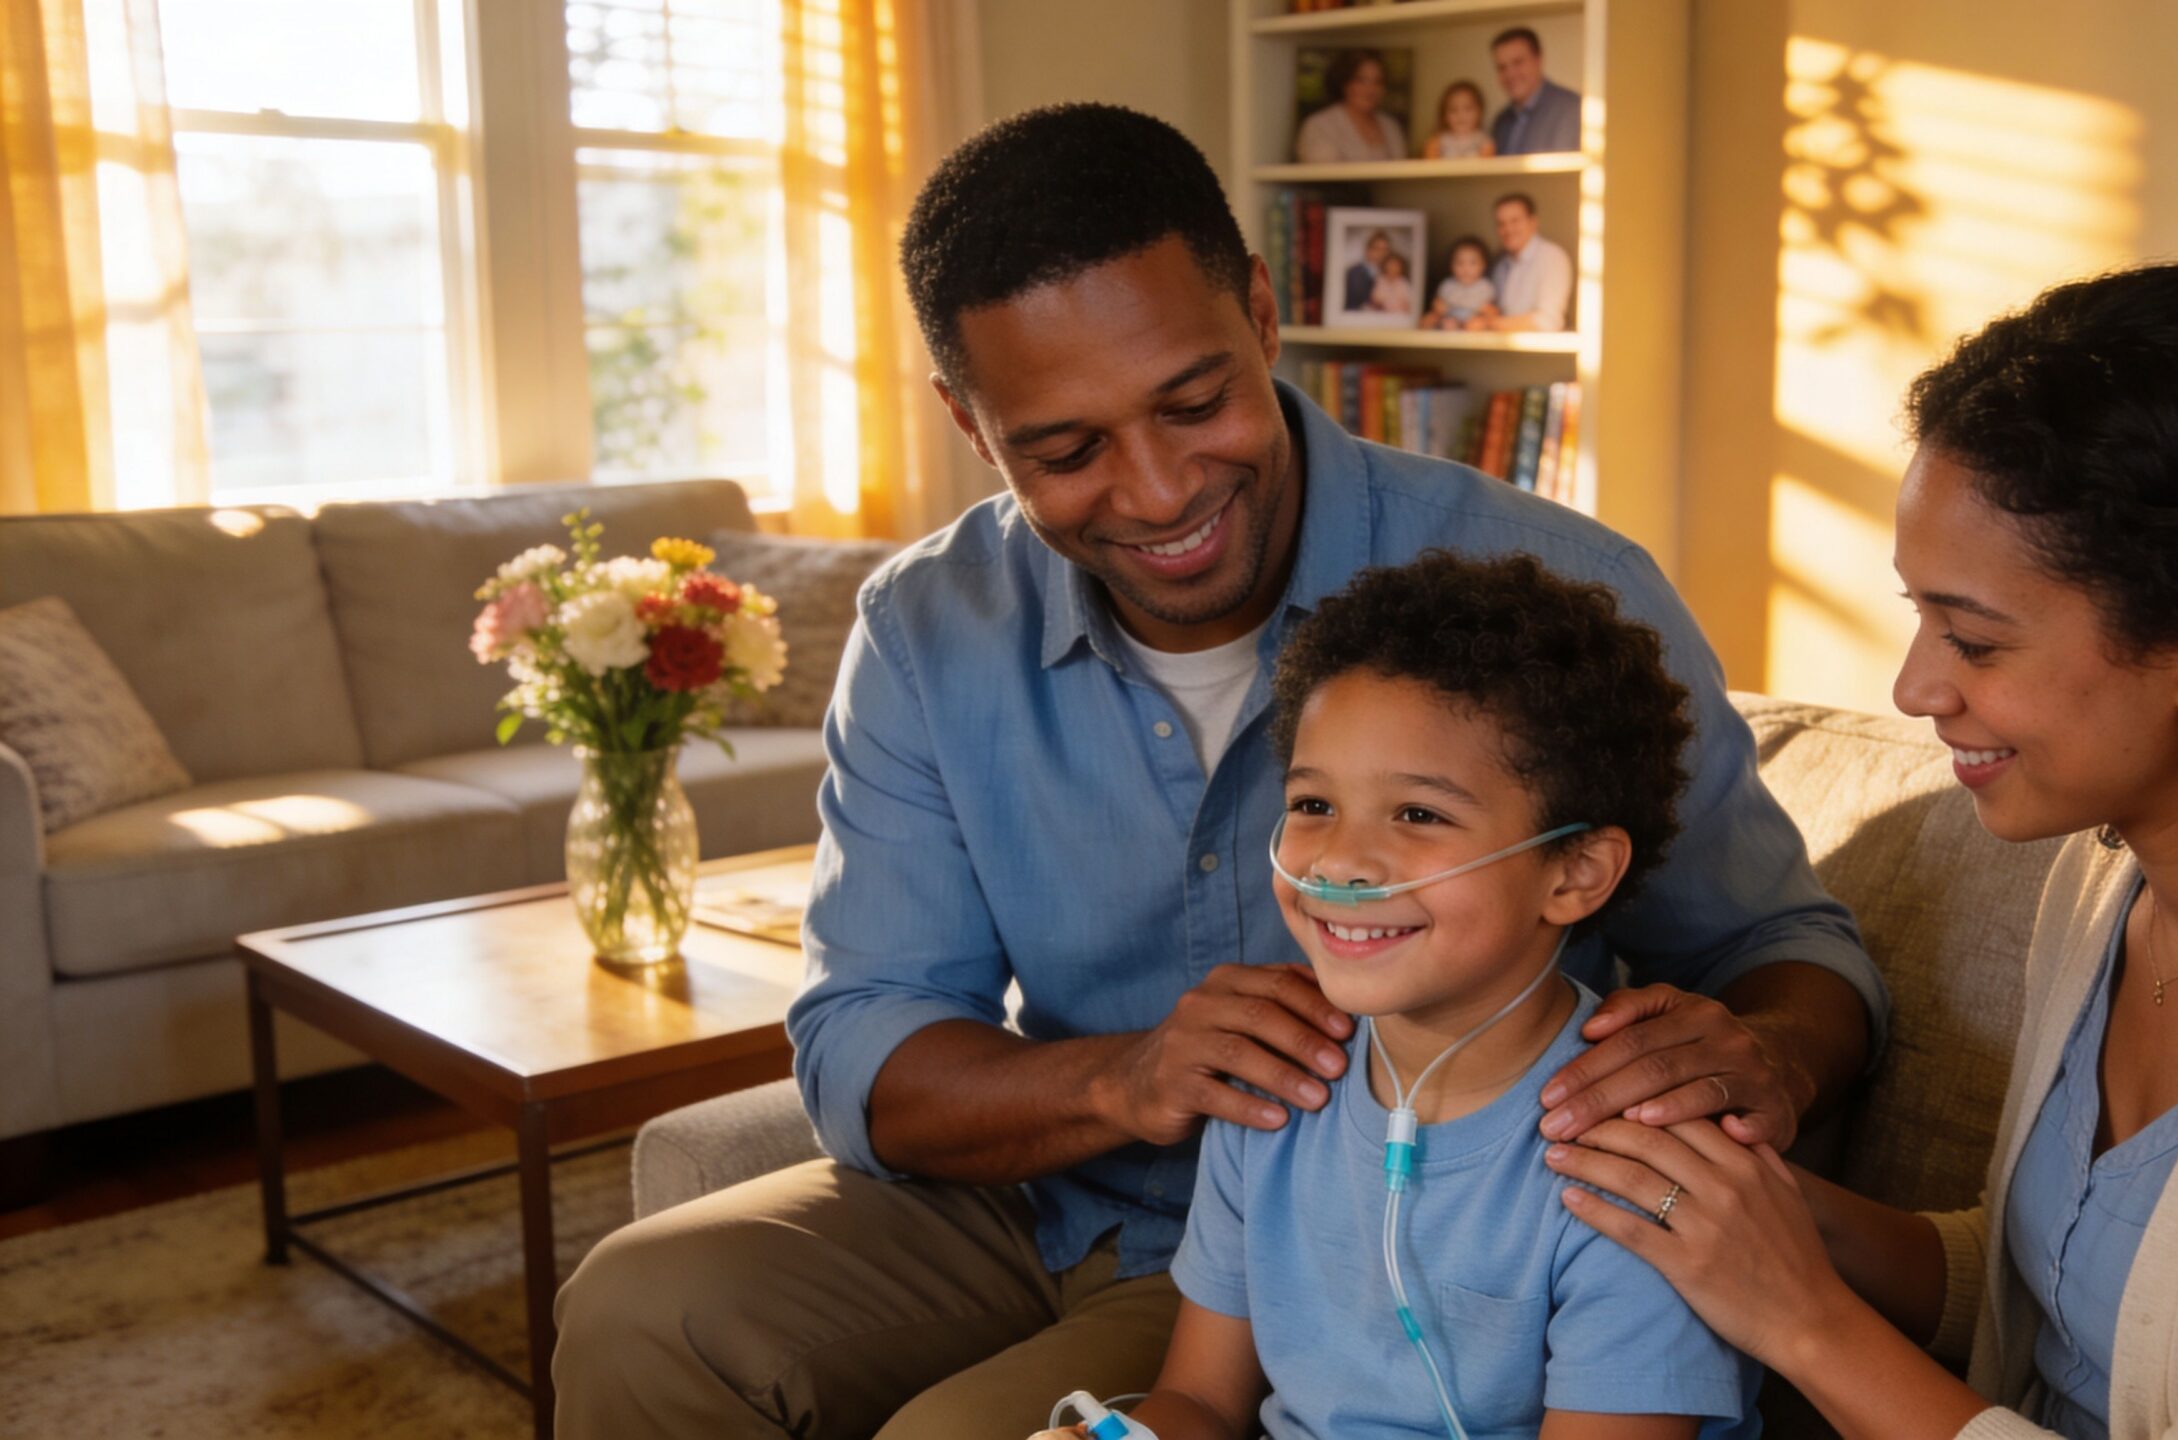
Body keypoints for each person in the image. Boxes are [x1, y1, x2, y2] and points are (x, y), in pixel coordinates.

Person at [552, 103, 1885, 1440]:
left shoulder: (1560, 592)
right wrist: (1128, 1082)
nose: (1155, 491)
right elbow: (862, 1040)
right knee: (641, 1304)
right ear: (971, 422)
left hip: (1372, 1234)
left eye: (1194, 403)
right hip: (1040, 1194)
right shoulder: (927, 628)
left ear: (1261, 312)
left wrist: (1764, 1054)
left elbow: (1789, 949)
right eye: (1064, 452)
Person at [1543, 264, 2178, 1439]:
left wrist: (1798, 1316)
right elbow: (2062, 1293)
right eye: (1920, 618)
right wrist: (1745, 1207)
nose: (1916, 687)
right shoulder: (2109, 878)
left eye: (1972, 639)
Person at [1025, 552, 1759, 1440]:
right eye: (1312, 804)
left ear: (1575, 872)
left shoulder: (1634, 1168)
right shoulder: (1272, 1088)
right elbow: (1202, 1402)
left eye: (1418, 815)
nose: (1339, 862)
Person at [1294, 49, 1408, 165]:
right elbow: (1324, 175)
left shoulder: (1390, 126)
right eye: (1361, 80)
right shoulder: (1319, 125)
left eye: (1378, 82)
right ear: (1344, 83)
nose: (1370, 90)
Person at [1488, 27, 1581, 155]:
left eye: (1518, 62)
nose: (1510, 74)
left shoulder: (1571, 109)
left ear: (1538, 60)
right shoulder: (1501, 122)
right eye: (1502, 67)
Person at [1488, 192, 1571, 332]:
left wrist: (1489, 324)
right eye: (1501, 224)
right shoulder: (1500, 266)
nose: (1508, 229)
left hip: (1542, 352)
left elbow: (1548, 321)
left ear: (1533, 222)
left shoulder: (1551, 257)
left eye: (1515, 221)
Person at [1421, 236, 1497, 331]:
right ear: (1451, 265)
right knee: (1431, 320)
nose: (1466, 269)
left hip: (1473, 321)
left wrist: (1487, 311)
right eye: (1460, 263)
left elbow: (1492, 311)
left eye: (1472, 263)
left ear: (1483, 265)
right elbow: (1437, 304)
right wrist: (1439, 308)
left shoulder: (1485, 287)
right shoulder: (1448, 285)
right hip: (1450, 319)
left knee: (1478, 324)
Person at [1420, 79, 1494, 160]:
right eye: (1453, 110)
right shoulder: (1436, 144)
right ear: (1444, 115)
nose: (1461, 115)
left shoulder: (1485, 144)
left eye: (1468, 109)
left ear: (1479, 112)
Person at [1341, 229, 1389, 313]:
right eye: (1377, 249)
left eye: (1384, 250)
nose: (1381, 253)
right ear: (1368, 250)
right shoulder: (1354, 273)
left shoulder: (1390, 274)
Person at [1363, 251, 1413, 315]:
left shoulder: (1404, 283)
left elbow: (1408, 304)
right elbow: (1375, 299)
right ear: (1385, 265)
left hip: (1399, 315)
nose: (1393, 268)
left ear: (1401, 267)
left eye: (1396, 265)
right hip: (1382, 315)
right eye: (1390, 265)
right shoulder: (1380, 280)